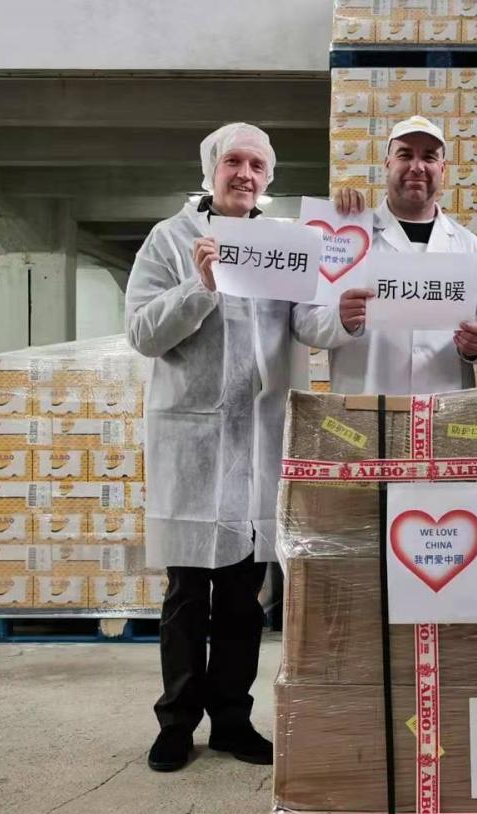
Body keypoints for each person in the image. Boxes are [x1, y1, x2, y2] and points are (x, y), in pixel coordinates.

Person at [126, 123, 329, 773]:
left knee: (244, 595)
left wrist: (349, 306)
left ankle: (234, 720)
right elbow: (142, 332)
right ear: (213, 169)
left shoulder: (283, 247)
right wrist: (202, 287)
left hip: (258, 440)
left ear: (269, 178)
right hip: (190, 442)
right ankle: (177, 722)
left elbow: (311, 323)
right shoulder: (170, 239)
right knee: (188, 593)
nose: (245, 173)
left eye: (258, 164)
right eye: (234, 161)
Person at [309, 116, 477, 393]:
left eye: (429, 157)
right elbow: (304, 320)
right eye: (405, 155)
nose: (417, 167)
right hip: (363, 410)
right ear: (387, 164)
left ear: (443, 169)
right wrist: (339, 319)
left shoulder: (471, 248)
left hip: (443, 411)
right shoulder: (348, 237)